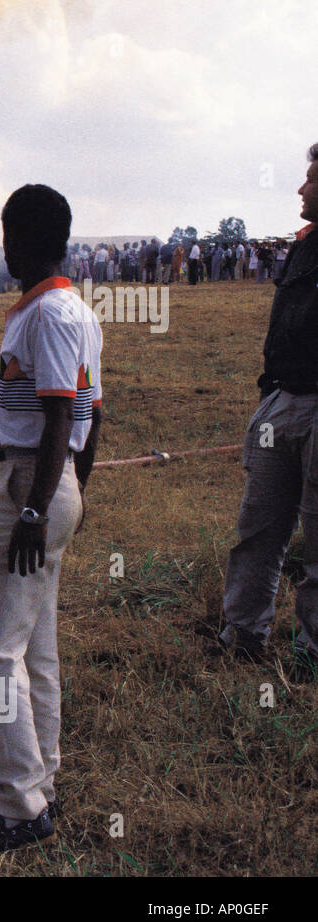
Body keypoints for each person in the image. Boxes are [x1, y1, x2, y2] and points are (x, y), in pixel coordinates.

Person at [0, 183, 101, 852]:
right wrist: (75, 489)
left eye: (9, 233)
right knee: (36, 647)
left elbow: (56, 417)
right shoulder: (78, 310)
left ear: (32, 239)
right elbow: (91, 416)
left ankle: (19, 805)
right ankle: (38, 773)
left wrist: (34, 509)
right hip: (54, 483)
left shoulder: (48, 315)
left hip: (27, 481)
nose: (3, 245)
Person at [219, 143, 318, 669]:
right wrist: (269, 395)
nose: (301, 189)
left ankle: (311, 655)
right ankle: (242, 635)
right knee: (258, 528)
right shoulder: (304, 246)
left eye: (311, 180)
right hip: (284, 400)